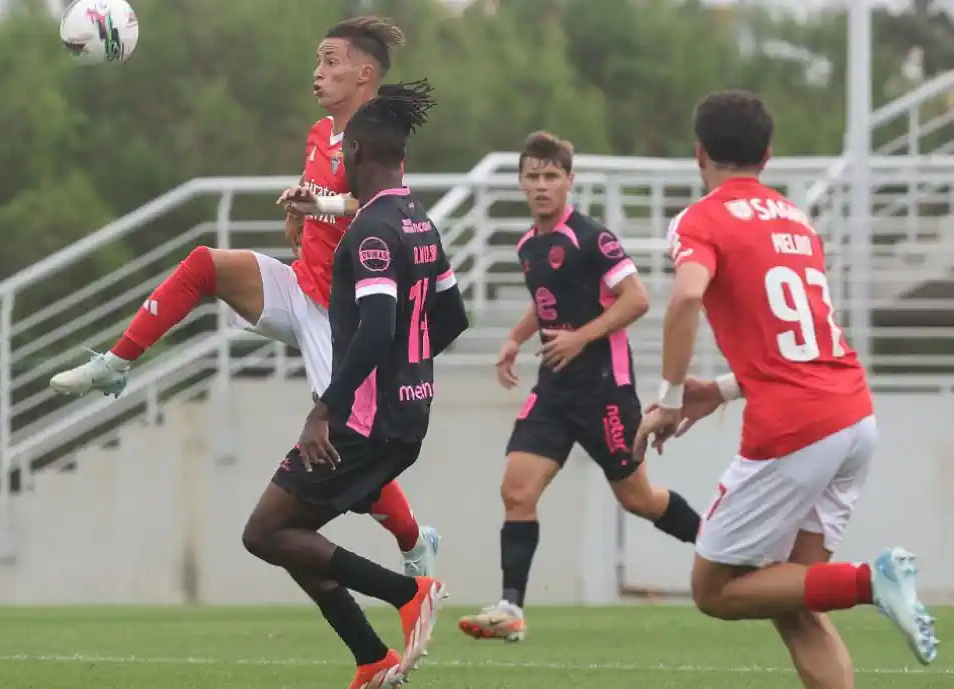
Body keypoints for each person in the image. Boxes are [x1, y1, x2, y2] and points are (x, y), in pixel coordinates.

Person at [48, 16, 439, 578]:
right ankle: (116, 364)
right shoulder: (318, 133)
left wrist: (323, 207)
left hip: (341, 316)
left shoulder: (378, 137)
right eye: (318, 60)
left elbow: (389, 208)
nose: (318, 72)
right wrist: (300, 216)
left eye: (330, 62)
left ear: (365, 73)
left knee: (346, 457)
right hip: (302, 286)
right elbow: (318, 213)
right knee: (206, 264)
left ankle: (414, 541)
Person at [635, 89, 938, 684]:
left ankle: (871, 580)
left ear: (699, 154)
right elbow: (797, 342)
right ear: (768, 155)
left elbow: (688, 295)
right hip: (853, 416)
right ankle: (865, 585)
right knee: (790, 598)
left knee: (716, 589)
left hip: (795, 429)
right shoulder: (798, 220)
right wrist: (717, 391)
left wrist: (669, 398)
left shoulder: (700, 219)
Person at [241, 79, 463, 689]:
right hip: (404, 418)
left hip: (361, 422)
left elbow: (377, 327)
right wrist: (408, 371)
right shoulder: (418, 222)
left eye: (343, 157)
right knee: (294, 536)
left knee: (265, 533)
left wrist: (326, 411)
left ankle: (409, 592)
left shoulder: (369, 234)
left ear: (358, 155)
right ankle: (371, 658)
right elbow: (451, 314)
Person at [457, 132, 702, 642]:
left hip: (605, 390)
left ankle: (723, 548)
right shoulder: (528, 245)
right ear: (521, 182)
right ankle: (511, 609)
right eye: (533, 176)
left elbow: (634, 300)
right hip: (554, 392)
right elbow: (546, 300)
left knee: (640, 499)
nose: (542, 186)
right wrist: (514, 339)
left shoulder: (593, 238)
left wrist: (580, 338)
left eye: (552, 176)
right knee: (516, 489)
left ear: (569, 181)